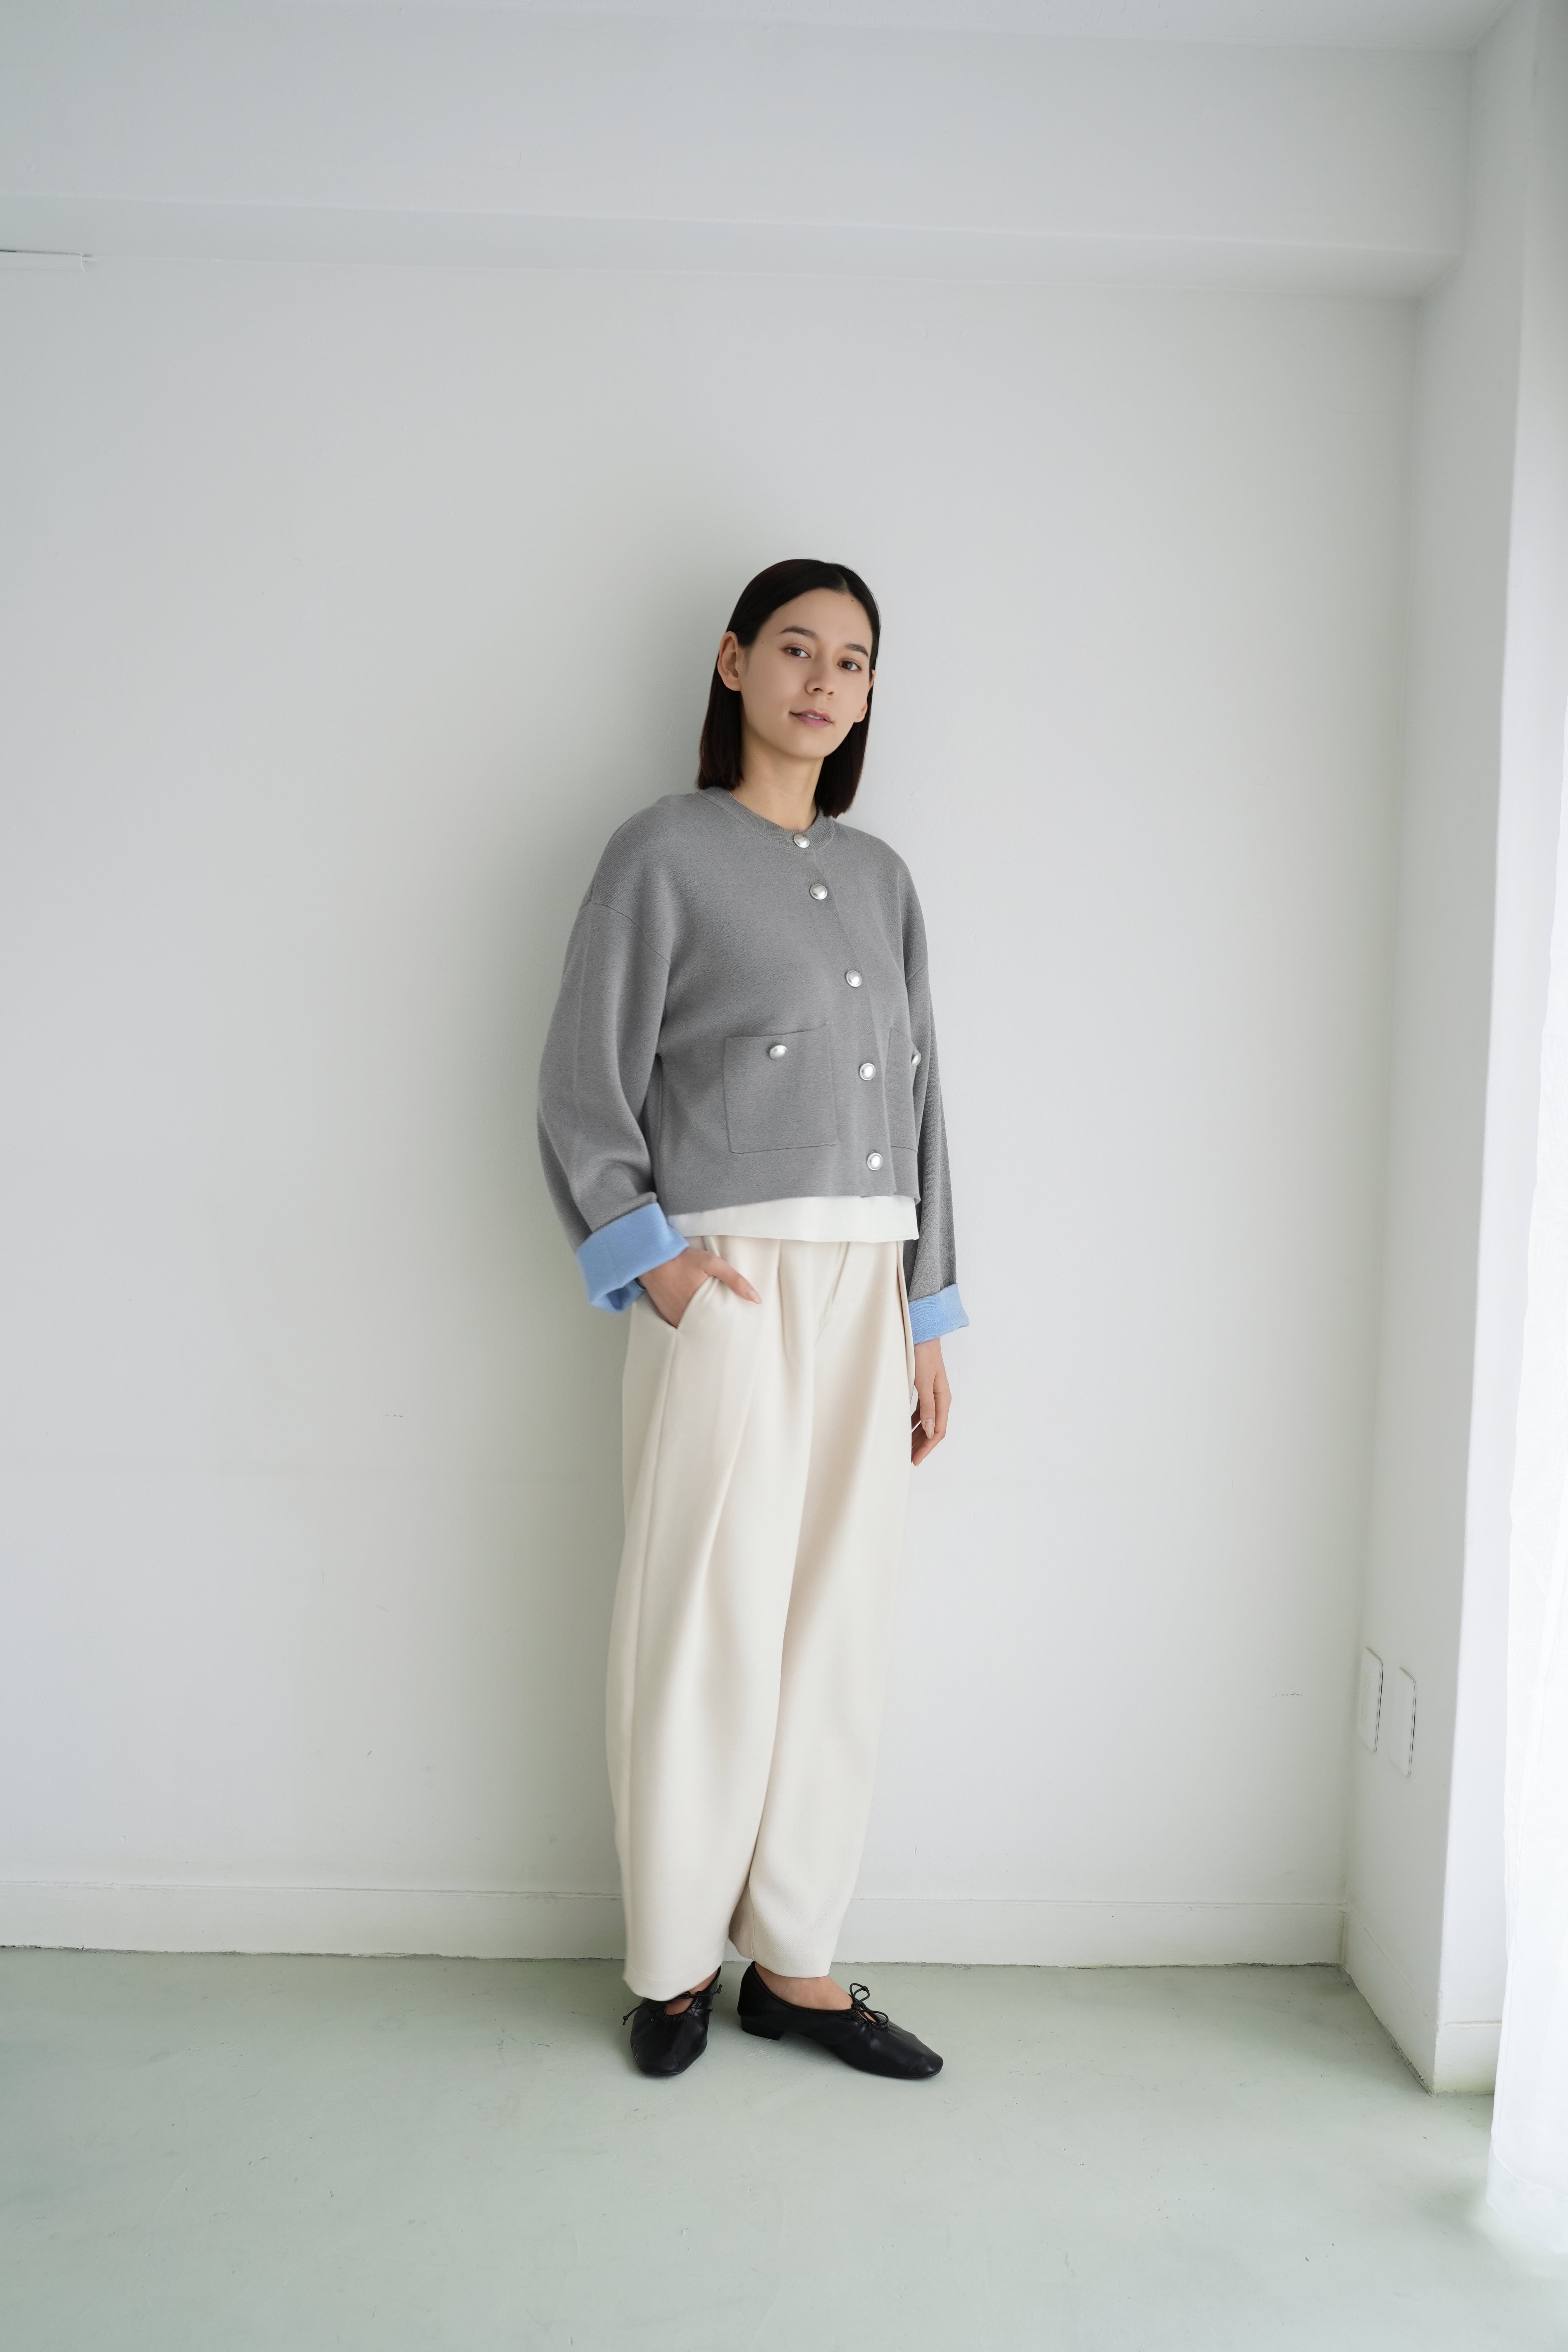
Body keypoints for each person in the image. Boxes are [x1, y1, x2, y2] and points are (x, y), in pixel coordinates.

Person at [537, 558, 967, 2080]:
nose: (823, 682)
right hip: (722, 1277)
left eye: (852, 661)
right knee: (703, 1619)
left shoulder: (884, 881)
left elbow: (924, 1110)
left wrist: (926, 1317)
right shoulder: (661, 852)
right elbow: (583, 1081)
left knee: (838, 1626)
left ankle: (794, 1965)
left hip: (867, 1286)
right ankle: (672, 1969)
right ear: (732, 663)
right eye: (796, 649)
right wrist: (655, 1268)